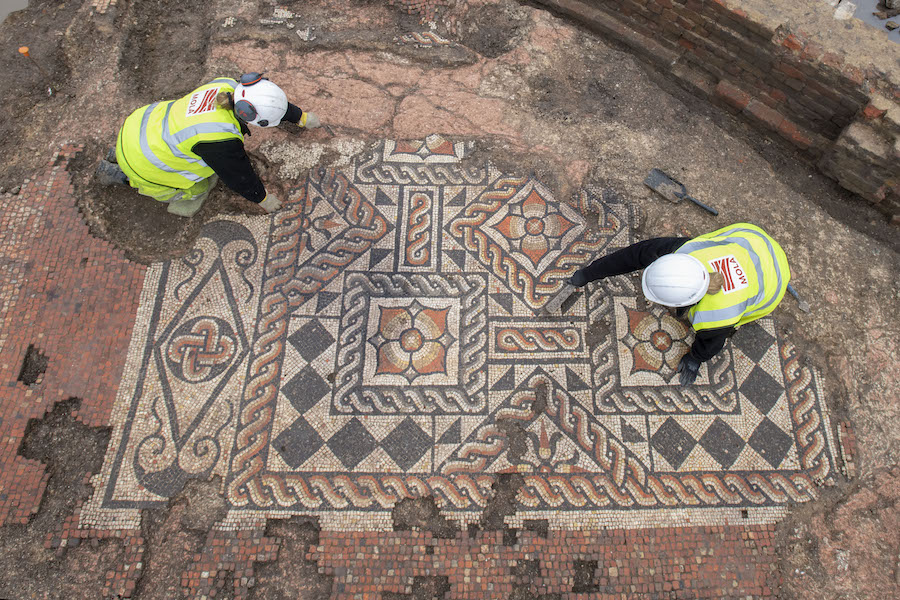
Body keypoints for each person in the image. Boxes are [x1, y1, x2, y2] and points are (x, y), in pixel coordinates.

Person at [568, 223, 790, 385]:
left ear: (687, 303)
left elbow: (713, 344)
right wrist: (588, 274)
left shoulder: (717, 316)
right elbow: (634, 255)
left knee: (734, 323)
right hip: (753, 239)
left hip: (775, 282)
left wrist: (695, 358)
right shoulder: (684, 251)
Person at [96, 73, 321, 217]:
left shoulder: (227, 85)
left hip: (139, 126)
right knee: (199, 187)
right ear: (250, 117)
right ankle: (120, 175)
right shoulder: (219, 139)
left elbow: (268, 102)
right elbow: (239, 176)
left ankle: (118, 153)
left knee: (170, 147)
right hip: (145, 162)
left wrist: (301, 117)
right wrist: (261, 198)